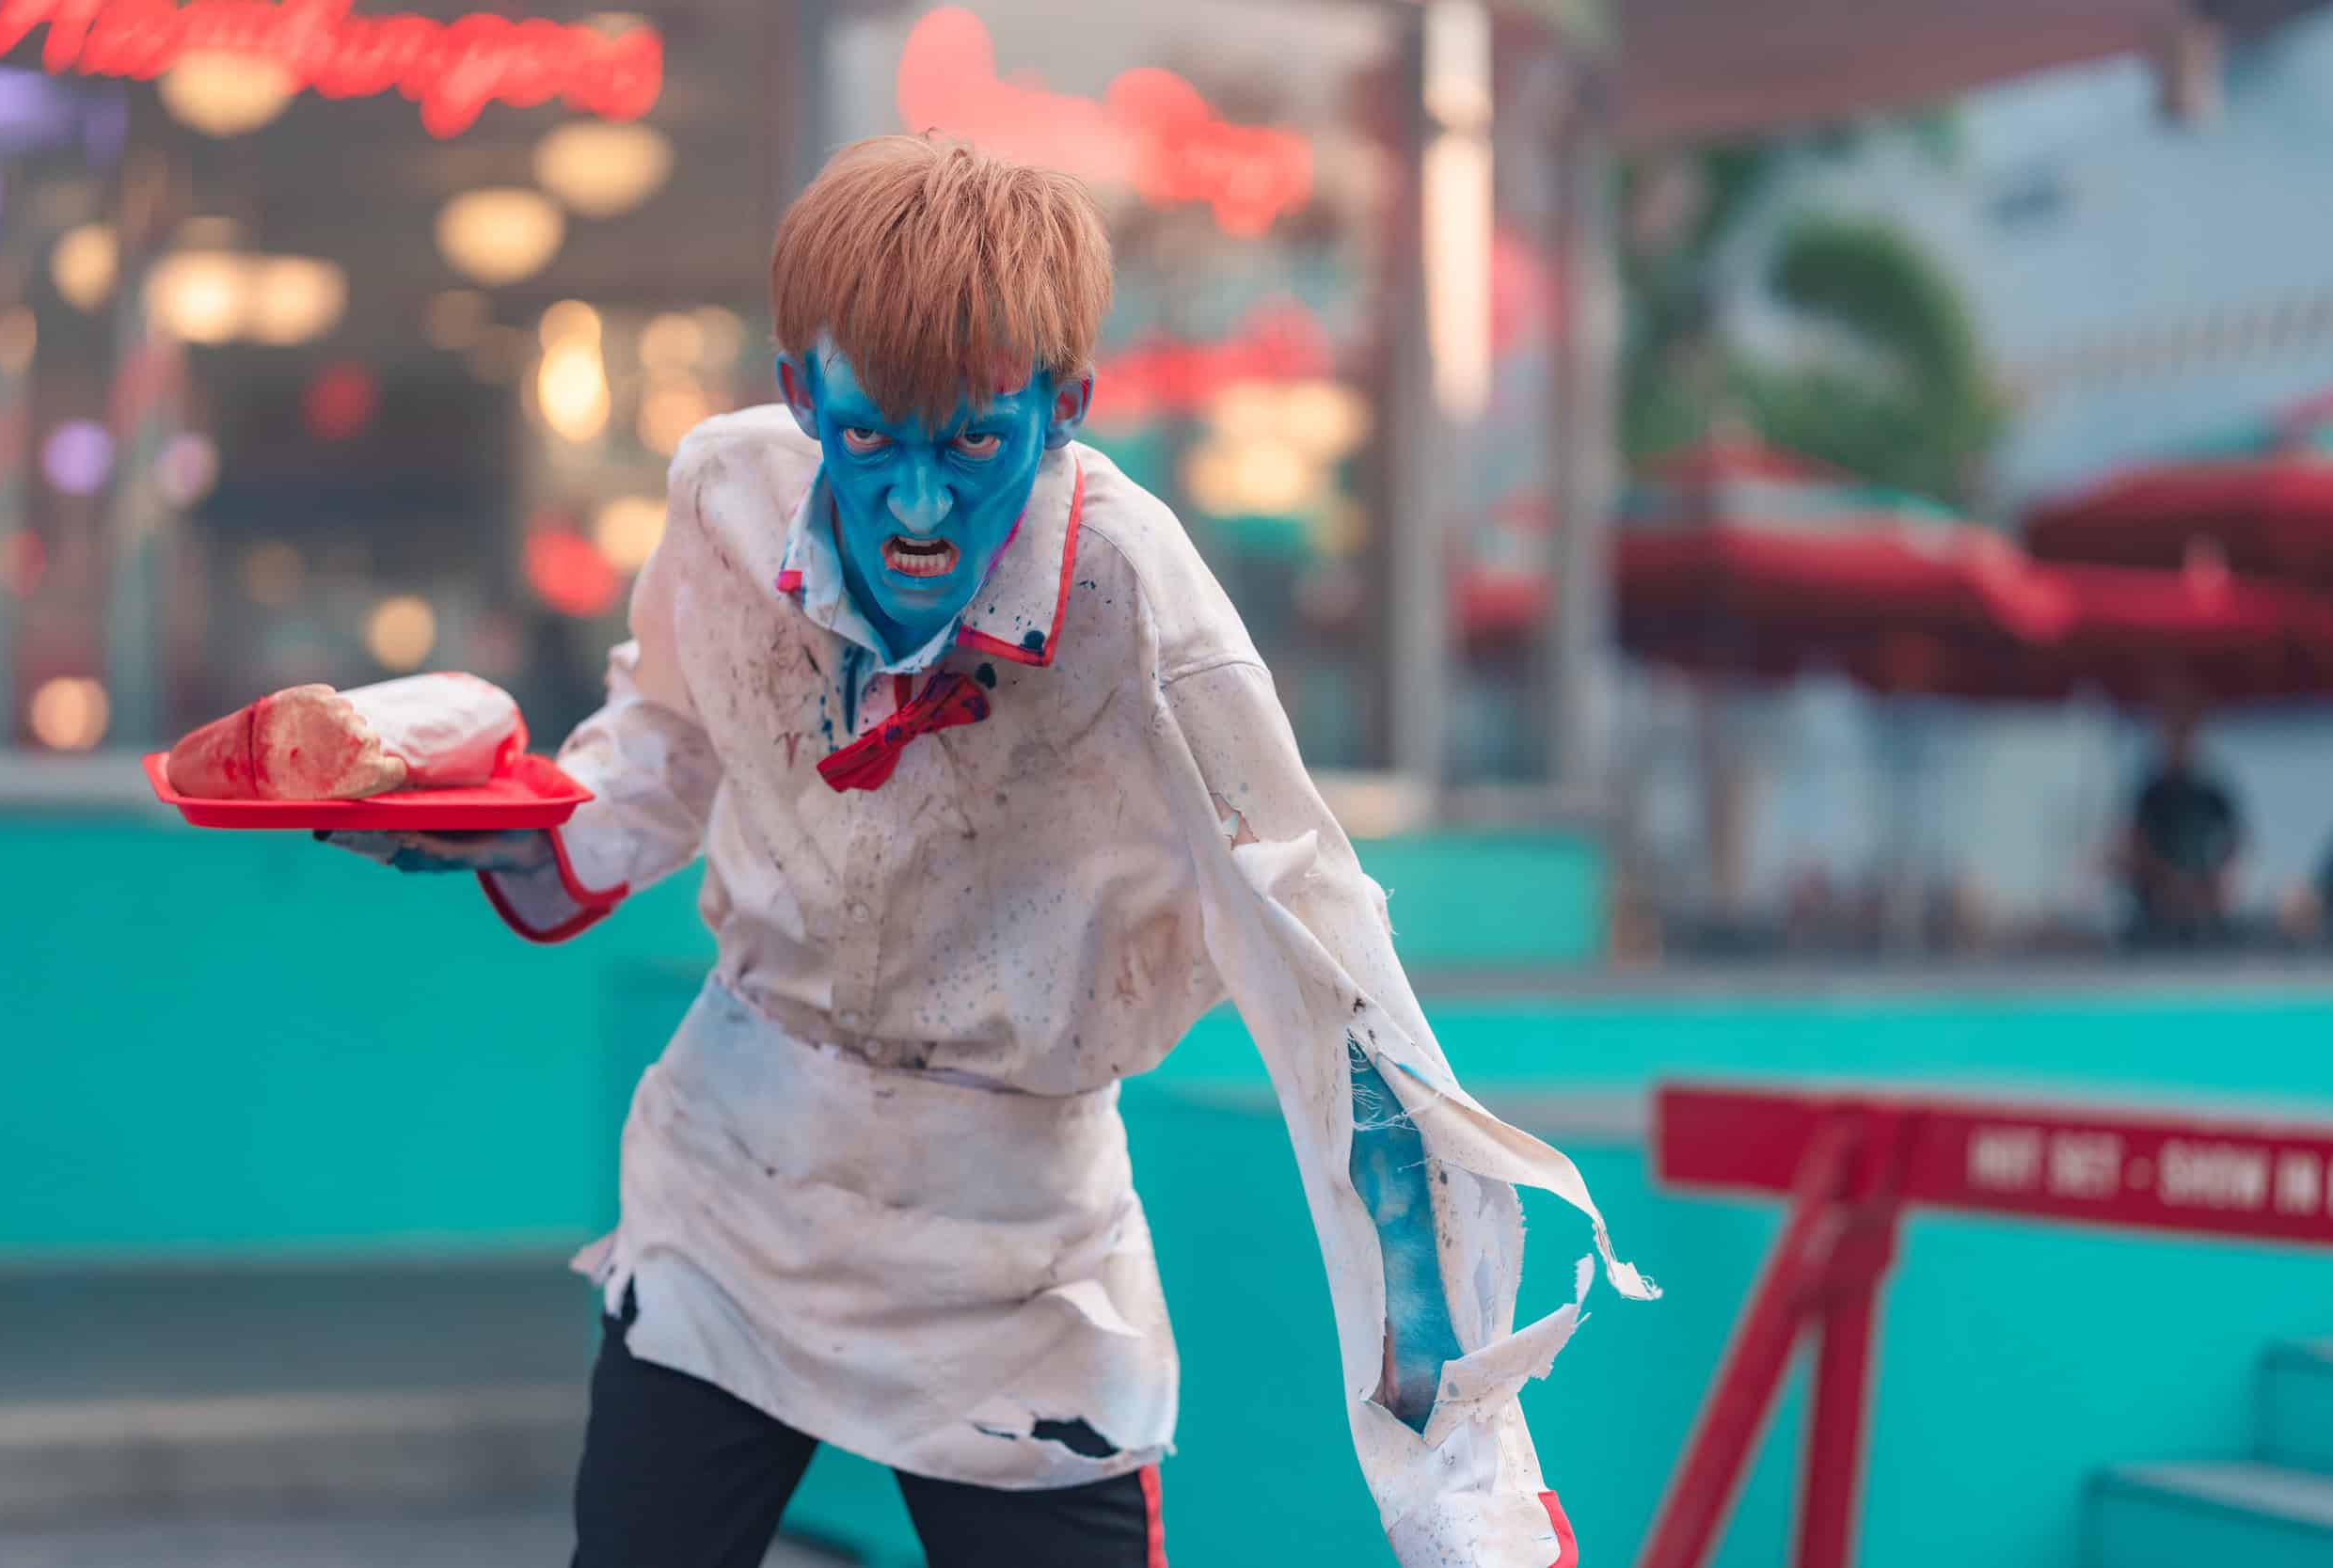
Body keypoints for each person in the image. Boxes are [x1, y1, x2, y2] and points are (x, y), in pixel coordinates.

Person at [322, 135, 1651, 1568]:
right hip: (731, 1190)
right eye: (868, 439)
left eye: (969, 444)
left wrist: (1462, 1483)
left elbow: (1338, 998)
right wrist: (501, 830)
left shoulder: (1138, 601)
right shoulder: (726, 492)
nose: (913, 507)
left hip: (1016, 1257)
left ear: (1064, 406)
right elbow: (667, 734)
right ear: (800, 394)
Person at [2121, 702, 2243, 946]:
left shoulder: (2212, 795)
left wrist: (2208, 886)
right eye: (2174, 733)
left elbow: (2234, 845)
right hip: (2155, 917)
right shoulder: (2151, 795)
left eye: (2186, 733)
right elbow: (2136, 845)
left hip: (2206, 914)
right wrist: (2169, 882)